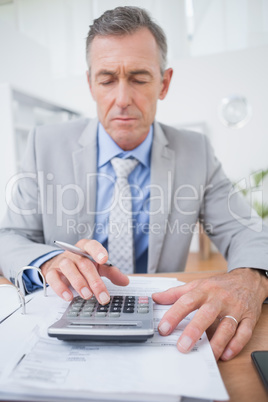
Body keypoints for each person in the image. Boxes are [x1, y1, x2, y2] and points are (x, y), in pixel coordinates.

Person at [0, 6, 267, 362]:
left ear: (164, 83)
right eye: (107, 79)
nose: (123, 99)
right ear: (90, 83)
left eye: (139, 78)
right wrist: (48, 261)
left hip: (159, 326)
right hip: (64, 320)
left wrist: (250, 277)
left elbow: (246, 230)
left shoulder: (195, 151)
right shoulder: (44, 144)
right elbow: (8, 236)